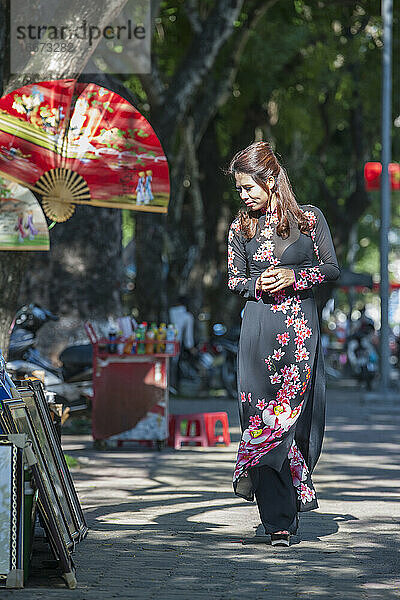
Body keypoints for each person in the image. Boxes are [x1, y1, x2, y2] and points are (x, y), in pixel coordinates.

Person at [227, 141, 340, 546]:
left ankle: (289, 506)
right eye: (239, 190)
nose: (244, 196)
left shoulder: (310, 219)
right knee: (260, 425)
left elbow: (331, 269)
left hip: (299, 336)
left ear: (271, 179)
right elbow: (234, 280)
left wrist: (296, 277)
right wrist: (258, 282)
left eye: (248, 187)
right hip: (257, 337)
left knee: (297, 423)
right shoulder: (241, 227)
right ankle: (275, 520)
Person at [169, 296, 196, 393]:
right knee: (174, 365)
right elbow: (188, 336)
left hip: (163, 340)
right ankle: (172, 387)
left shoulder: (170, 311)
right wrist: (191, 347)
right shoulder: (187, 316)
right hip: (176, 343)